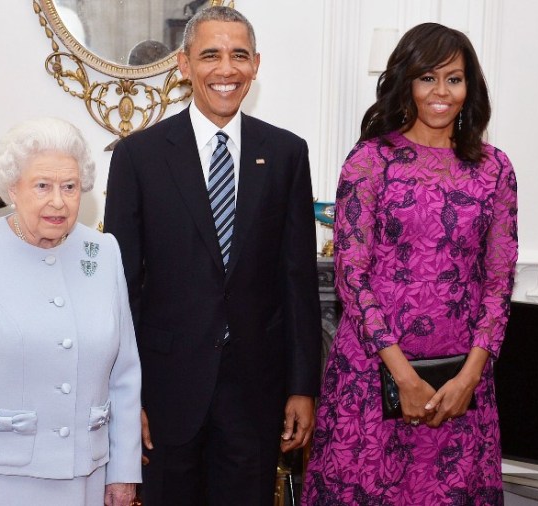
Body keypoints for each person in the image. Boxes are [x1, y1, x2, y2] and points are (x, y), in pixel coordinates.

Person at [103, 6, 322, 505]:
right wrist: (126, 394)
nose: (226, 69)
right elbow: (121, 288)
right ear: (184, 65)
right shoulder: (138, 157)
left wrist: (302, 387)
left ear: (256, 64)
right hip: (165, 392)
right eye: (210, 55)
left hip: (256, 392)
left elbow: (297, 280)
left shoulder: (287, 153)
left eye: (239, 55)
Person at [302, 22, 518, 505]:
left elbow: (499, 282)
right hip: (370, 380)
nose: (441, 92)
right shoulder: (370, 160)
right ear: (407, 83)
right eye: (427, 77)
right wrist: (403, 377)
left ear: (470, 88)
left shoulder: (495, 168)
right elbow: (351, 276)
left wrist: (469, 378)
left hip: (459, 389)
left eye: (454, 79)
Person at [0, 117, 142, 506]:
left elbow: (124, 375)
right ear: (12, 189)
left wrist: (123, 471)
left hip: (86, 477)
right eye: (43, 186)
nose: (58, 200)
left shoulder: (103, 253)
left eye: (69, 187)